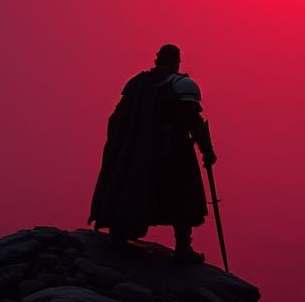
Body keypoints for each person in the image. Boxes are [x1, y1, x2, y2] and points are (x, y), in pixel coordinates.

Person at [89, 44, 217, 263]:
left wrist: (122, 148)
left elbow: (117, 119)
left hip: (137, 153)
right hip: (173, 153)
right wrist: (207, 151)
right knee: (183, 195)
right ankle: (183, 248)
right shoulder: (180, 84)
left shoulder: (137, 84)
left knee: (130, 188)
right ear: (177, 61)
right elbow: (193, 121)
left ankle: (119, 236)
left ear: (157, 60)